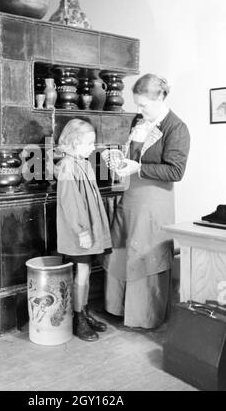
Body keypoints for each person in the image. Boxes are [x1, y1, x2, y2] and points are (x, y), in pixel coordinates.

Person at [103, 73, 190, 330]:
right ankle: (116, 307)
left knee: (145, 252)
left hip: (154, 201)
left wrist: (138, 168)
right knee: (121, 247)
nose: (139, 110)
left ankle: (144, 315)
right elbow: (134, 156)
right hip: (130, 197)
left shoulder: (177, 128)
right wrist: (118, 159)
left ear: (161, 97)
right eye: (137, 104)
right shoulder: (138, 121)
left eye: (144, 105)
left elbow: (176, 172)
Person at [55, 118, 112, 341]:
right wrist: (82, 231)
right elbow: (71, 203)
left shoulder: (84, 163)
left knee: (85, 276)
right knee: (82, 275)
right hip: (79, 233)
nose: (93, 147)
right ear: (73, 142)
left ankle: (83, 313)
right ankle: (78, 319)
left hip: (87, 229)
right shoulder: (69, 166)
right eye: (89, 143)